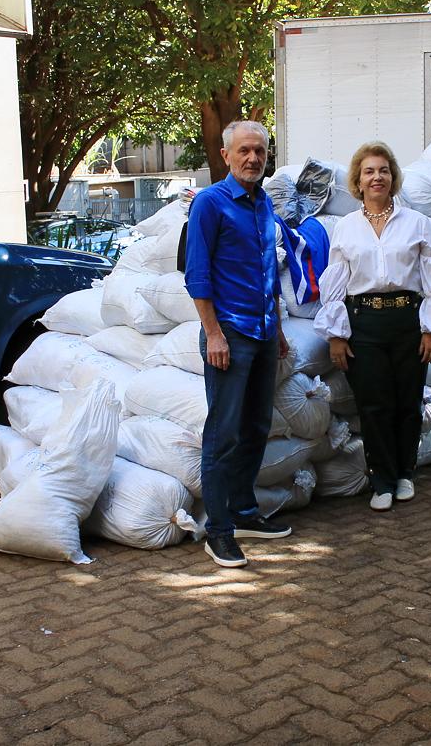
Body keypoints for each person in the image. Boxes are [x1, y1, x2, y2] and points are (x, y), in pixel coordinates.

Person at [315, 142, 431, 511]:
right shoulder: (346, 227)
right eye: (369, 172)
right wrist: (337, 336)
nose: (377, 177)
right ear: (358, 181)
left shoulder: (416, 223)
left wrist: (430, 329)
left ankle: (405, 473)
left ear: (393, 178)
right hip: (364, 322)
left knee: (408, 401)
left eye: (384, 171)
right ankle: (382, 481)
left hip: (407, 320)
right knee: (374, 404)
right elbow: (336, 284)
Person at [185, 120, 292, 567]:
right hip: (229, 333)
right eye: (244, 150)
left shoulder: (264, 203)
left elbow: (269, 273)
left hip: (264, 334)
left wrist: (278, 330)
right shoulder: (210, 203)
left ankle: (245, 512)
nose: (253, 158)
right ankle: (219, 531)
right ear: (225, 155)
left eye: (260, 152)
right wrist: (213, 333)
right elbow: (197, 274)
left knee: (255, 428)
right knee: (223, 434)